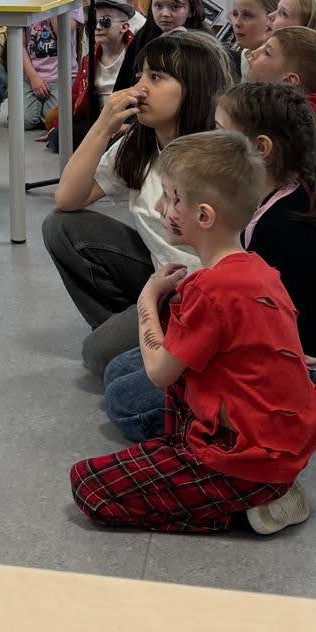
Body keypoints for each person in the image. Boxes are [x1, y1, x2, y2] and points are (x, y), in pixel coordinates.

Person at [70, 130, 316, 536]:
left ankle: (241, 502)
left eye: (172, 198)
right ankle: (258, 489)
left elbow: (159, 372)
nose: (160, 206)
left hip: (242, 461)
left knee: (88, 485)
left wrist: (147, 299)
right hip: (274, 444)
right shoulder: (259, 269)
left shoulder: (211, 288)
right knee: (157, 377)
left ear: (204, 216)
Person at [105, 81, 316, 445]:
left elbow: (253, 332)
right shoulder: (273, 199)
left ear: (260, 149)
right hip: (260, 351)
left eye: (221, 132)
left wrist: (156, 304)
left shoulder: (282, 228)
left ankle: (288, 420)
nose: (212, 138)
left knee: (122, 402)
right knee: (115, 369)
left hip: (287, 376)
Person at [43, 28, 235, 379]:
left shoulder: (218, 156)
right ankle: (138, 334)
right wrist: (102, 127)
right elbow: (68, 198)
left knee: (99, 358)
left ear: (193, 88)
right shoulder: (140, 144)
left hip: (205, 293)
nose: (139, 88)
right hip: (163, 278)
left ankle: (158, 344)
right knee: (60, 226)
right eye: (140, 75)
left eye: (156, 77)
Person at [245, 27, 316, 216]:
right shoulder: (275, 115)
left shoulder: (307, 136)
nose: (253, 53)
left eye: (267, 52)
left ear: (289, 80)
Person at [19, 0, 84, 130]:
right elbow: (19, 45)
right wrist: (33, 77)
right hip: (32, 75)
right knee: (24, 120)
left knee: (55, 120)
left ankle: (45, 112)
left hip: (61, 76)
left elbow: (63, 32)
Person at [113, 0, 208, 91]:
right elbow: (123, 83)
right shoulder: (143, 36)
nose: (165, 14)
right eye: (158, 6)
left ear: (191, 10)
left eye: (175, 7)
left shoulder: (204, 44)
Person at [72, 0, 134, 125]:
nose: (98, 27)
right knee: (59, 134)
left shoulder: (137, 55)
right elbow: (75, 95)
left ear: (124, 27)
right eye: (93, 22)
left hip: (128, 120)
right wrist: (58, 126)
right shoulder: (88, 60)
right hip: (98, 121)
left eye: (105, 21)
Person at [229, 0, 281, 74]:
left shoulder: (280, 65)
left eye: (247, 15)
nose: (237, 23)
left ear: (272, 18)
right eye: (235, 14)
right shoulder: (246, 53)